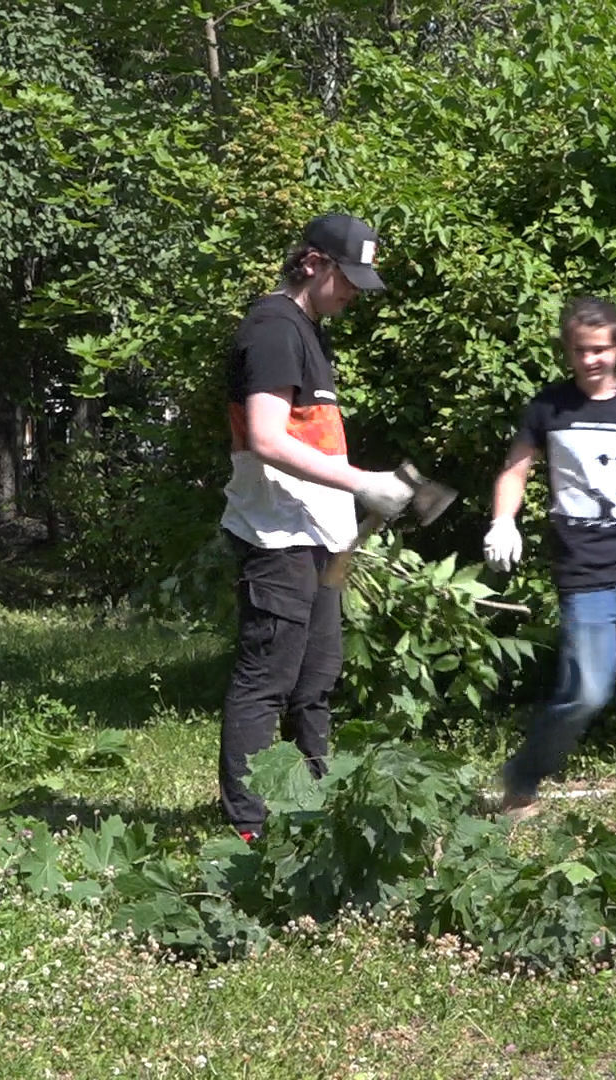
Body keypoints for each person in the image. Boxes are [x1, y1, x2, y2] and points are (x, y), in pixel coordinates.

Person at [218, 212, 419, 841]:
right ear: (311, 263)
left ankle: (313, 806)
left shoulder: (307, 329)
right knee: (267, 680)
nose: (355, 292)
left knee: (315, 679)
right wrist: (364, 482)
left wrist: (354, 496)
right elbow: (266, 437)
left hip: (324, 537)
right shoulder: (273, 328)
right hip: (278, 535)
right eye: (348, 277)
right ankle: (249, 827)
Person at [483, 296, 616, 849]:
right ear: (569, 352)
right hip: (583, 577)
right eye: (582, 351)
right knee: (585, 692)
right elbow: (515, 469)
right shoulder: (548, 408)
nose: (592, 360)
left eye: (601, 349)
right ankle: (521, 781)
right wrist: (503, 521)